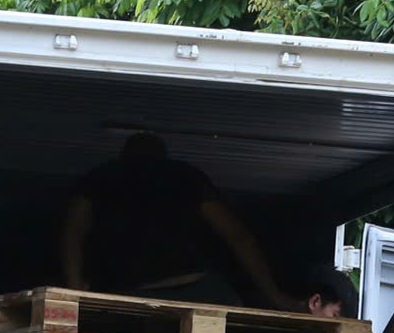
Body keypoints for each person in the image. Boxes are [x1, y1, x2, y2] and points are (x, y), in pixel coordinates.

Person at [59, 132, 299, 310]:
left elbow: (73, 233)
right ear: (164, 156)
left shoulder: (102, 177)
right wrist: (273, 294)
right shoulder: (184, 176)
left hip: (133, 290)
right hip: (192, 288)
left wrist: (74, 288)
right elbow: (237, 235)